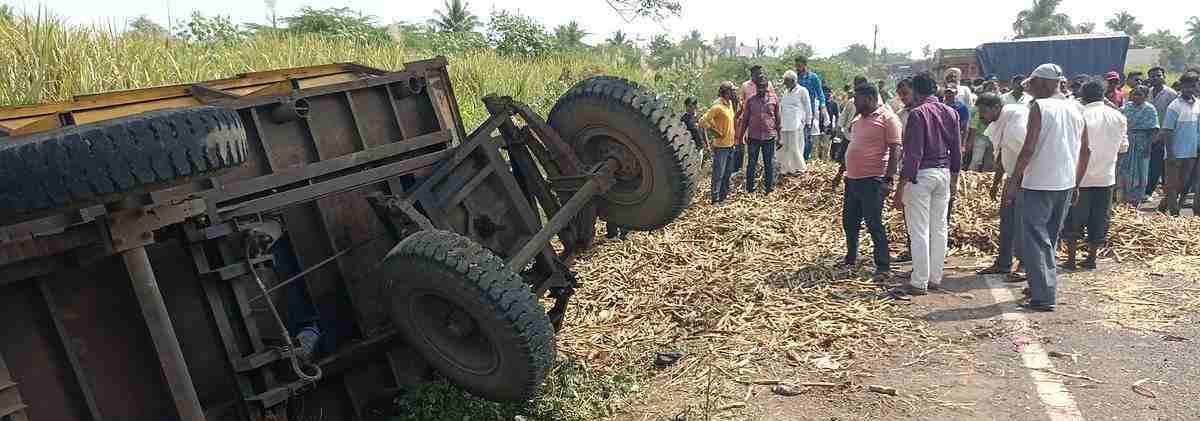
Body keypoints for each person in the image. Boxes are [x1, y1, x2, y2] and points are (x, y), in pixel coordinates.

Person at [1003, 63, 1086, 312]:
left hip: (1039, 182)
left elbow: (1028, 149)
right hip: (1064, 182)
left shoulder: (1040, 107)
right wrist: (1077, 182)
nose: (1033, 87)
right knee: (1049, 238)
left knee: (1036, 240)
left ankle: (1043, 295)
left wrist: (1013, 180)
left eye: (1036, 83)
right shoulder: (1075, 108)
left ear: (1046, 83)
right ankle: (1039, 285)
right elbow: (1085, 150)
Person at [892, 72, 961, 296]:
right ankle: (935, 277)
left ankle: (919, 281)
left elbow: (913, 154)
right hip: (943, 173)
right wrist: (954, 179)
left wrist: (900, 187)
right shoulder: (950, 112)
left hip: (922, 174)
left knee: (919, 229)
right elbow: (957, 149)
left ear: (916, 91)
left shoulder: (917, 114)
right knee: (939, 228)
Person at [833, 83, 902, 279]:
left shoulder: (888, 118)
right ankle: (851, 257)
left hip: (873, 180)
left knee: (874, 224)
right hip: (853, 179)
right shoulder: (857, 119)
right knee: (849, 221)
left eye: (859, 99)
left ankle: (883, 266)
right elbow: (851, 147)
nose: (855, 103)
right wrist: (840, 173)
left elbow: (896, 149)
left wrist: (889, 179)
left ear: (871, 98)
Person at [1062, 79, 1128, 270]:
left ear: (1083, 95)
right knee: (1100, 218)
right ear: (1104, 94)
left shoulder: (1079, 115)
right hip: (1106, 176)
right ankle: (1091, 258)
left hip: (1079, 177)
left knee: (1074, 218)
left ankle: (1072, 259)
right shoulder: (1118, 117)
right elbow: (1123, 148)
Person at [976, 94, 1030, 277]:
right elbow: (1001, 155)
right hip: (1012, 177)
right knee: (1007, 221)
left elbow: (1026, 154)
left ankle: (1023, 264)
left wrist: (1015, 182)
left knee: (1021, 223)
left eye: (984, 112)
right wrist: (996, 182)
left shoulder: (1015, 121)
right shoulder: (1001, 123)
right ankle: (1003, 262)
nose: (982, 116)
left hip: (1025, 179)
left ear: (997, 107)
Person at [1159, 71, 1200, 216]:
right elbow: (1167, 131)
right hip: (1175, 153)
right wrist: (1170, 154)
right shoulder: (1174, 106)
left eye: (1193, 86)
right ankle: (1174, 215)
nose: (1190, 89)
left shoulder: (1198, 105)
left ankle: (1162, 209)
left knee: (1182, 186)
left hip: (1191, 153)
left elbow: (1198, 130)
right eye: (1187, 86)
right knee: (1172, 186)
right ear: (1182, 86)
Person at [736, 76, 782, 195]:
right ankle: (750, 189)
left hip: (769, 137)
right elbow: (745, 120)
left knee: (769, 163)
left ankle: (769, 189)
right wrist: (740, 137)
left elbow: (778, 119)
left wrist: (780, 137)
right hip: (753, 137)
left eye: (763, 87)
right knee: (751, 163)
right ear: (756, 87)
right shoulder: (750, 100)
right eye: (759, 87)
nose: (761, 89)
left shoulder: (774, 99)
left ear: (767, 87)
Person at [1119, 86, 1160, 206]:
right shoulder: (1127, 107)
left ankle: (1136, 201)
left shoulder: (1150, 109)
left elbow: (1154, 130)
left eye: (1139, 94)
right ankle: (1124, 200)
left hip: (1142, 144)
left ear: (1146, 96)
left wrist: (1149, 145)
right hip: (1127, 141)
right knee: (1124, 170)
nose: (1136, 97)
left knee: (1140, 172)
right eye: (1134, 94)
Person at [700, 82, 739, 204]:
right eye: (732, 91)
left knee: (727, 174)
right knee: (718, 174)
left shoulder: (730, 105)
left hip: (730, 145)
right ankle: (715, 199)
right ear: (726, 92)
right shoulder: (717, 107)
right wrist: (714, 131)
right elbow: (702, 121)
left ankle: (723, 198)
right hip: (721, 147)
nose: (734, 93)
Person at [1146, 67, 1179, 201]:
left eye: (1158, 76)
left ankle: (1168, 194)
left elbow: (1173, 116)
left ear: (1164, 77)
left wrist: (1163, 133)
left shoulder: (1171, 94)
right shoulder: (1148, 92)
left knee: (1165, 164)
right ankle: (1150, 191)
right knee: (1154, 164)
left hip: (1166, 133)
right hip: (1151, 134)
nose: (1155, 78)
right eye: (1152, 76)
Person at [778, 70, 812, 175]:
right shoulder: (785, 92)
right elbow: (782, 107)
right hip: (784, 123)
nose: (785, 84)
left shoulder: (802, 91)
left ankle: (800, 168)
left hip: (796, 123)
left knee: (795, 146)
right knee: (785, 147)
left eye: (786, 81)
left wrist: (808, 121)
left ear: (792, 80)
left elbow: (807, 106)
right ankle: (786, 169)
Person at [794, 56, 828, 161]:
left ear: (805, 65)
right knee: (796, 136)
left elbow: (820, 93)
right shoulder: (795, 77)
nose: (798, 68)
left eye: (799, 65)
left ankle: (804, 159)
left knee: (806, 136)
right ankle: (797, 159)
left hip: (809, 111)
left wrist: (823, 105)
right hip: (796, 111)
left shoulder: (813, 77)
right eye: (796, 66)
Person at [941, 87, 971, 164]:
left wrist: (963, 145)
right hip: (942, 137)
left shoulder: (962, 107)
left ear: (956, 93)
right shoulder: (940, 106)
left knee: (956, 160)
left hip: (957, 136)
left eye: (951, 92)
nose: (949, 95)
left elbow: (965, 127)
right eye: (947, 92)